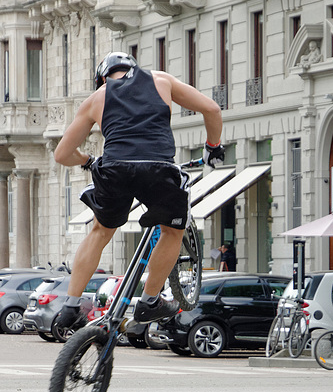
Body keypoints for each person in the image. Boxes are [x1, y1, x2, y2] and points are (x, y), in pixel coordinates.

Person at [54, 51, 224, 329]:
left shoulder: (97, 98)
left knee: (100, 231)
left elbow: (62, 154)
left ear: (103, 78)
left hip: (115, 169)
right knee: (171, 230)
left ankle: (71, 307)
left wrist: (88, 161)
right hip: (157, 168)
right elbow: (212, 110)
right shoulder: (161, 80)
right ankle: (149, 301)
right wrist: (214, 147)